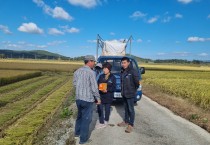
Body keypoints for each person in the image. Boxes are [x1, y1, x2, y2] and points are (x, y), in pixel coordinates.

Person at [73, 55, 101, 144]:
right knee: (86, 119)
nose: (94, 64)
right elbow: (94, 87)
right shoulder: (91, 73)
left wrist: (80, 90)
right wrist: (98, 98)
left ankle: (77, 133)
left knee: (79, 116)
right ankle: (83, 139)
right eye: (94, 62)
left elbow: (74, 84)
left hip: (78, 98)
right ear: (89, 61)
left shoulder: (77, 71)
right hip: (87, 99)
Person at [117, 57, 140, 133]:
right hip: (124, 94)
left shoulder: (133, 71)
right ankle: (126, 121)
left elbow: (137, 83)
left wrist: (133, 90)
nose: (123, 64)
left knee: (131, 109)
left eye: (125, 62)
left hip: (130, 94)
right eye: (122, 63)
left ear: (128, 63)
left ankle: (131, 124)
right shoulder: (122, 71)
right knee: (126, 108)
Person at [96, 62, 116, 129]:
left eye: (105, 68)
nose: (104, 70)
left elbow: (114, 87)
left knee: (107, 109)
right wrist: (100, 89)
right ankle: (101, 122)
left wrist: (107, 90)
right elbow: (98, 84)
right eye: (103, 68)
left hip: (108, 96)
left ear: (109, 69)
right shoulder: (101, 76)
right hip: (101, 96)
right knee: (100, 109)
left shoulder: (113, 77)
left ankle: (106, 121)